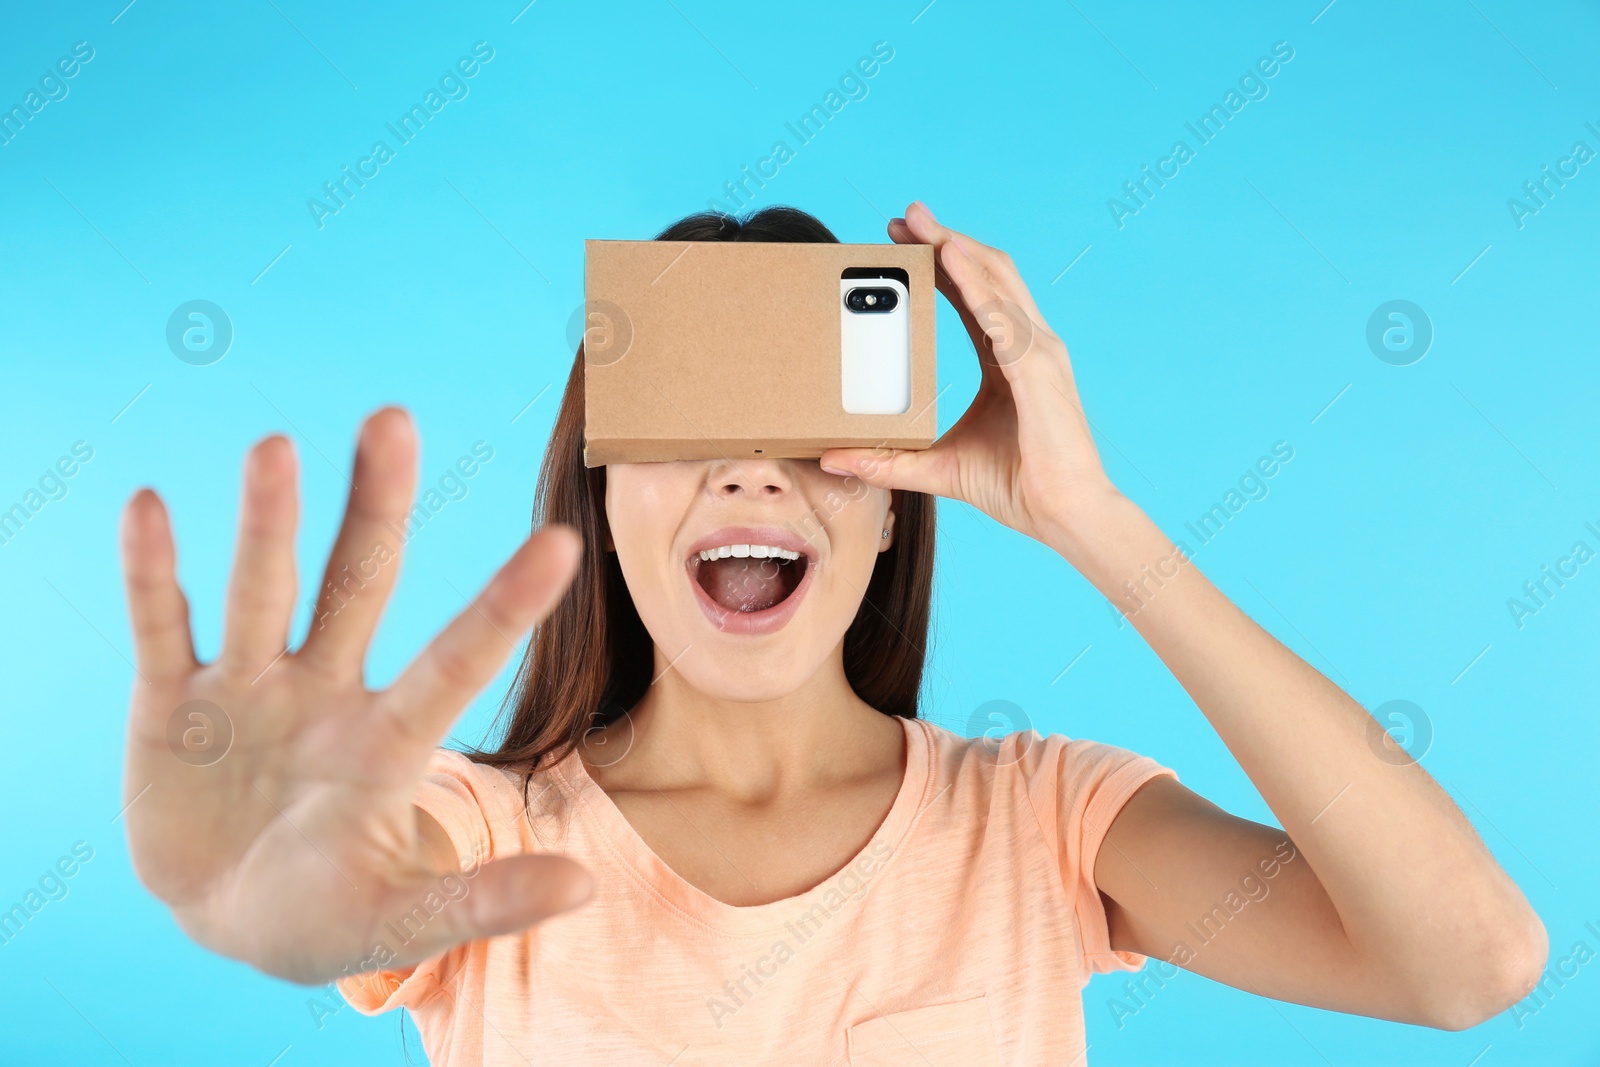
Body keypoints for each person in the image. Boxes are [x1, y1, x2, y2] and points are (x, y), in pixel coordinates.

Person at [118, 201, 1545, 1065]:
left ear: (888, 512)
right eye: (690, 437)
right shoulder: (484, 836)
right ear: (604, 498)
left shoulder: (1043, 823)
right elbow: (354, 888)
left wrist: (1094, 518)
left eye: (806, 440)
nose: (750, 476)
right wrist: (255, 883)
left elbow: (1469, 963)